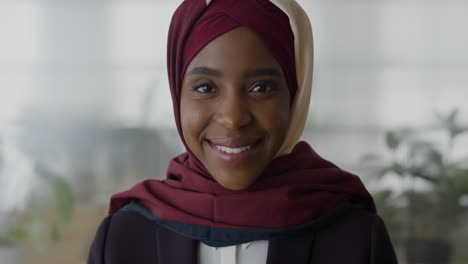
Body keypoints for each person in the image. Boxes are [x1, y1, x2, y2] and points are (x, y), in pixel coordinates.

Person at [87, 0, 398, 263]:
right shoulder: (122, 238)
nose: (233, 118)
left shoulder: (356, 239)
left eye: (261, 87)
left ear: (295, 96)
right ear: (176, 94)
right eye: (205, 87)